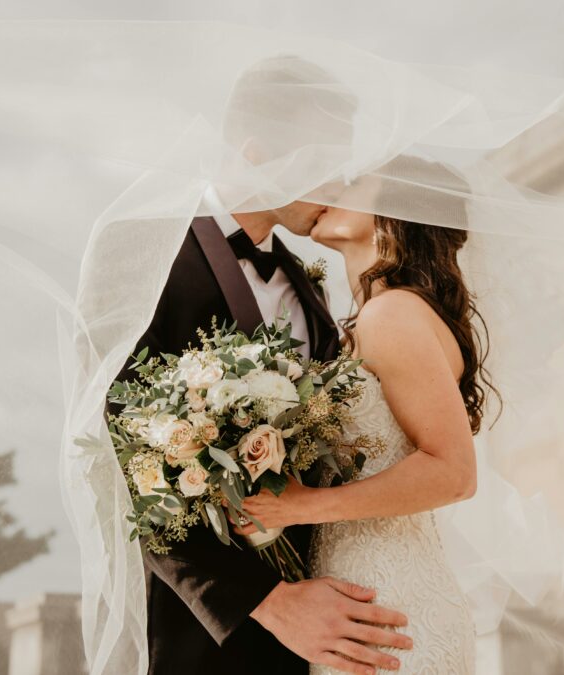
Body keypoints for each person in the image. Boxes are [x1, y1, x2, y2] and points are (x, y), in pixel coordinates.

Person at [114, 57, 413, 675]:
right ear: (255, 153)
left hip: (331, 630)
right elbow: (120, 461)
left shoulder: (312, 291)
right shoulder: (141, 253)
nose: (335, 186)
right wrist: (270, 604)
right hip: (206, 638)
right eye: (322, 164)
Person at [235, 164, 489, 674]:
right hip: (358, 595)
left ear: (395, 213)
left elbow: (454, 472)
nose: (325, 185)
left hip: (388, 600)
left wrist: (303, 507)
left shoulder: (392, 314)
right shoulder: (367, 318)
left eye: (349, 182)